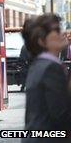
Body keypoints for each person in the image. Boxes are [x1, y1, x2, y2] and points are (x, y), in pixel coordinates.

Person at [21, 14, 71, 142]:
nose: (63, 33)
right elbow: (61, 115)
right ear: (42, 41)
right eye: (57, 30)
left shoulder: (38, 65)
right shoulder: (51, 69)